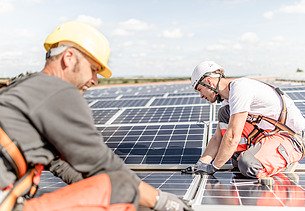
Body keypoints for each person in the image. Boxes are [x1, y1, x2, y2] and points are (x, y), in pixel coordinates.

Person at [0, 21, 192, 211]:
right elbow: (104, 165)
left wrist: (99, 183)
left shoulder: (26, 88)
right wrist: (162, 201)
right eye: (93, 69)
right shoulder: (59, 91)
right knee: (122, 188)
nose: (94, 81)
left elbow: (58, 164)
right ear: (68, 57)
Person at [182, 60, 305, 179]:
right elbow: (217, 138)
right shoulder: (228, 102)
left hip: (293, 139)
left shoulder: (240, 88)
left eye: (200, 89)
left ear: (209, 82)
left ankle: (285, 163)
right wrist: (201, 164)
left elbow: (232, 136)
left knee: (247, 165)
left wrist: (213, 167)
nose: (201, 95)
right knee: (225, 117)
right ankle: (261, 155)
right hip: (269, 135)